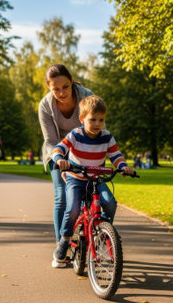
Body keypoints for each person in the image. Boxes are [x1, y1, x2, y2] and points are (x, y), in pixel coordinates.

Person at [51, 95, 134, 268]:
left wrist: (124, 166)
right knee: (73, 208)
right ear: (82, 119)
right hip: (76, 178)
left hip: (96, 179)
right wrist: (60, 160)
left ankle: (104, 232)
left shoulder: (107, 137)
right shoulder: (76, 134)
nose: (97, 124)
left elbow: (115, 155)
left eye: (101, 120)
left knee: (110, 203)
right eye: (92, 120)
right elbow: (59, 148)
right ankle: (64, 241)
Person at [38, 64, 93, 244]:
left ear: (72, 82)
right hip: (57, 153)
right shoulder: (45, 106)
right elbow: (51, 140)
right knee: (62, 197)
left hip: (84, 151)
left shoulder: (87, 96)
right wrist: (59, 158)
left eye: (65, 86)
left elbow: (98, 129)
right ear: (49, 88)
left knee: (90, 196)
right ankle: (61, 247)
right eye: (56, 89)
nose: (62, 93)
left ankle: (90, 242)